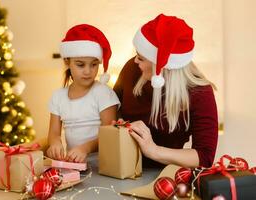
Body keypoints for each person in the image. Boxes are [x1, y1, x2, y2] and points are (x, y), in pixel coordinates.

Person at [114, 14, 218, 168]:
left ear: (161, 65)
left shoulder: (200, 93)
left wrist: (154, 150)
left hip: (166, 176)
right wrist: (118, 125)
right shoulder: (132, 69)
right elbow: (114, 108)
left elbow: (204, 156)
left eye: (141, 57)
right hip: (122, 167)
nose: (135, 60)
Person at [47, 24, 120, 163]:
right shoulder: (58, 97)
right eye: (80, 65)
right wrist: (55, 144)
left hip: (104, 165)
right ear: (67, 62)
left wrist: (85, 148)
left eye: (94, 65)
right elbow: (54, 134)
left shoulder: (103, 93)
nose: (88, 71)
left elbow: (110, 135)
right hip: (75, 166)